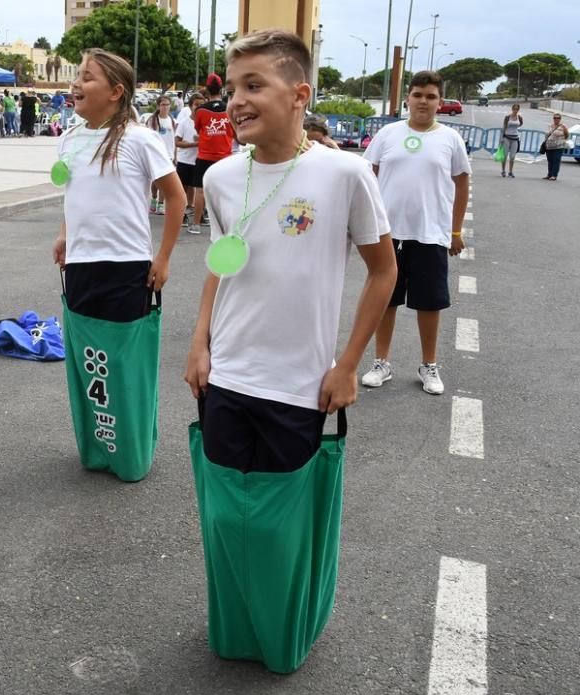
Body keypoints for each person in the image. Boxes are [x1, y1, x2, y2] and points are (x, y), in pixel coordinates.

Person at [186, 28, 395, 471]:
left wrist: (349, 365)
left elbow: (383, 271)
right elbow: (219, 268)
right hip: (225, 378)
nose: (236, 100)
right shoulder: (219, 177)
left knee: (282, 520)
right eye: (233, 87)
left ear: (300, 95)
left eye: (254, 85)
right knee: (226, 513)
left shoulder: (346, 174)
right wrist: (199, 344)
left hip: (300, 386)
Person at [52, 49, 186, 476]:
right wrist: (64, 235)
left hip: (126, 269)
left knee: (122, 366)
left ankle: (126, 452)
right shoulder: (70, 138)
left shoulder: (139, 139)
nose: (76, 84)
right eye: (77, 75)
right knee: (89, 359)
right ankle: (97, 449)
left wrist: (162, 258)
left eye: (87, 77)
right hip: (81, 268)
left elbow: (177, 197)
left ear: (115, 91)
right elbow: (73, 195)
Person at [361, 70, 471, 395]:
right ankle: (382, 362)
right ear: (407, 98)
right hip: (387, 234)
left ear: (440, 102)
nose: (424, 102)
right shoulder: (388, 134)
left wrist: (455, 229)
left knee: (429, 303)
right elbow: (368, 177)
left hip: (431, 233)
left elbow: (462, 182)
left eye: (431, 96)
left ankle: (429, 365)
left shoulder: (450, 139)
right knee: (386, 300)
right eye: (418, 95)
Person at [190, 73, 234, 235]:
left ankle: (196, 224)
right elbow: (234, 132)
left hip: (204, 156)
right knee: (223, 191)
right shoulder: (229, 109)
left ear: (207, 90)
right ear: (221, 89)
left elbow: (198, 129)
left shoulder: (200, 111)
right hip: (224, 156)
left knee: (200, 190)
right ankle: (224, 225)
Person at [175, 92, 204, 227]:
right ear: (190, 106)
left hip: (200, 160)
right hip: (185, 161)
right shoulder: (185, 123)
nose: (198, 107)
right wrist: (193, 144)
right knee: (183, 189)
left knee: (198, 189)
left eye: (201, 105)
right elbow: (177, 142)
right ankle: (181, 214)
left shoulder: (205, 123)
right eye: (196, 105)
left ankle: (196, 212)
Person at [147, 95, 177, 215]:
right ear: (158, 106)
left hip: (169, 155)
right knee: (156, 181)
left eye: (167, 105)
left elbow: (174, 140)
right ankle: (154, 198)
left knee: (165, 180)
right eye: (163, 105)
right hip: (156, 154)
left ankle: (160, 204)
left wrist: (175, 155)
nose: (165, 107)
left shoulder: (172, 120)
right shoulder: (152, 120)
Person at [542, 113, 570, 181]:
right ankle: (549, 174)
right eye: (555, 118)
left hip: (559, 147)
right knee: (550, 161)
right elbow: (547, 135)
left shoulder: (563, 126)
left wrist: (561, 140)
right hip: (549, 146)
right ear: (553, 119)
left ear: (560, 119)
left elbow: (567, 135)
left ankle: (554, 175)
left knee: (556, 160)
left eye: (558, 118)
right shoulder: (550, 126)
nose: (556, 119)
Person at [500, 103, 522, 178]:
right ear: (512, 109)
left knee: (512, 156)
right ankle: (503, 171)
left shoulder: (519, 117)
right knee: (505, 155)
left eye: (517, 109)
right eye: (514, 109)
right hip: (507, 138)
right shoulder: (507, 117)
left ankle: (510, 171)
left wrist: (515, 129)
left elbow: (520, 124)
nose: (515, 110)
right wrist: (501, 138)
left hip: (515, 138)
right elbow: (504, 127)